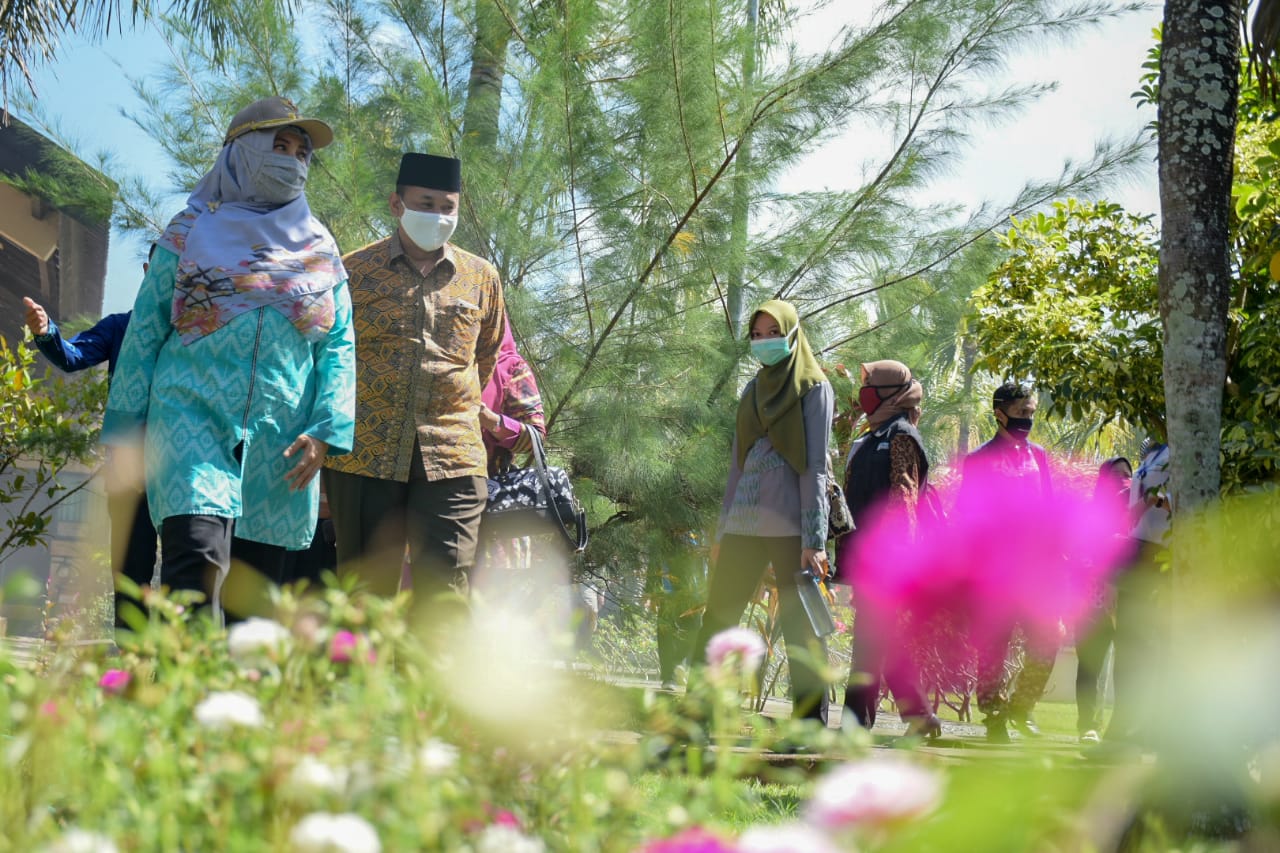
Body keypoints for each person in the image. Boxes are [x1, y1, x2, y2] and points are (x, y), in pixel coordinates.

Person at [100, 95, 356, 625]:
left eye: (300, 152)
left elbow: (338, 345)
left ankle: (235, 704)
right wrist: (124, 434)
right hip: (189, 424)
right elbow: (143, 337)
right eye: (277, 146)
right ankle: (178, 697)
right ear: (239, 152)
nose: (290, 160)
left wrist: (327, 427)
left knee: (253, 600)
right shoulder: (187, 235)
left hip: (280, 439)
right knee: (195, 561)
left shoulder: (322, 251)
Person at [323, 152, 505, 620]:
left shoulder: (482, 277)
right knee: (363, 597)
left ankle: (430, 693)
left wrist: (450, 404)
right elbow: (330, 355)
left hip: (453, 455)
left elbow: (485, 356)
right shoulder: (352, 271)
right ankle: (361, 692)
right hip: (366, 453)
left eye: (448, 207)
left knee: (447, 594)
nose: (439, 216)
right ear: (396, 204)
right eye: (426, 203)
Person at [692, 299, 834, 724]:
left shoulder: (813, 387)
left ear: (792, 334)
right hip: (743, 524)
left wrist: (815, 540)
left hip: (791, 525)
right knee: (718, 617)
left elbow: (814, 467)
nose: (764, 341)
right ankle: (696, 716)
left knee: (800, 628)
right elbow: (738, 464)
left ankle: (809, 728)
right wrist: (722, 533)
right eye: (757, 335)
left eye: (773, 332)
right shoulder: (753, 390)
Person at [24, 289, 155, 629]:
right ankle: (132, 662)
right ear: (147, 272)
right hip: (129, 469)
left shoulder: (196, 333)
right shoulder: (121, 327)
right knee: (130, 570)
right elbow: (74, 355)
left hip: (185, 466)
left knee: (192, 562)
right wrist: (46, 332)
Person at [839, 360, 942, 739]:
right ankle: (919, 718)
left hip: (889, 558)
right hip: (868, 556)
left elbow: (905, 497)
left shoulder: (900, 436)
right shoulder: (869, 437)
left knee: (872, 638)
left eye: (871, 385)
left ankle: (857, 724)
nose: (864, 392)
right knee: (880, 638)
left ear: (890, 393)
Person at [961, 380, 1056, 743]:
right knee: (992, 648)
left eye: (1031, 414)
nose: (1027, 420)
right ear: (999, 414)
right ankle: (994, 717)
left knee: (1048, 638)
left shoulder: (1040, 457)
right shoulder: (978, 461)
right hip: (993, 572)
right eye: (1020, 414)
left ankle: (1022, 707)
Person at [1101, 440, 1171, 752]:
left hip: (1167, 556)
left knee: (1157, 647)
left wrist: (1162, 499)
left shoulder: (1185, 446)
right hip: (1136, 555)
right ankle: (1120, 729)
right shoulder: (1154, 452)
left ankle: (1152, 729)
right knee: (1129, 647)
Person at [1075, 456, 1132, 743]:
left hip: (1127, 603)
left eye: (1126, 474)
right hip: (1090, 603)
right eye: (1115, 474)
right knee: (1090, 667)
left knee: (1128, 668)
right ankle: (1088, 725)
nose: (1122, 480)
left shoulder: (1140, 517)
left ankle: (1122, 729)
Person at [647, 529, 708, 690]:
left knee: (694, 632)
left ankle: (676, 664)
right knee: (665, 635)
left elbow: (702, 566)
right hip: (667, 592)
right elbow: (653, 563)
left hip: (692, 593)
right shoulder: (662, 535)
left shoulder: (696, 533)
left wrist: (703, 594)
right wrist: (652, 592)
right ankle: (669, 677)